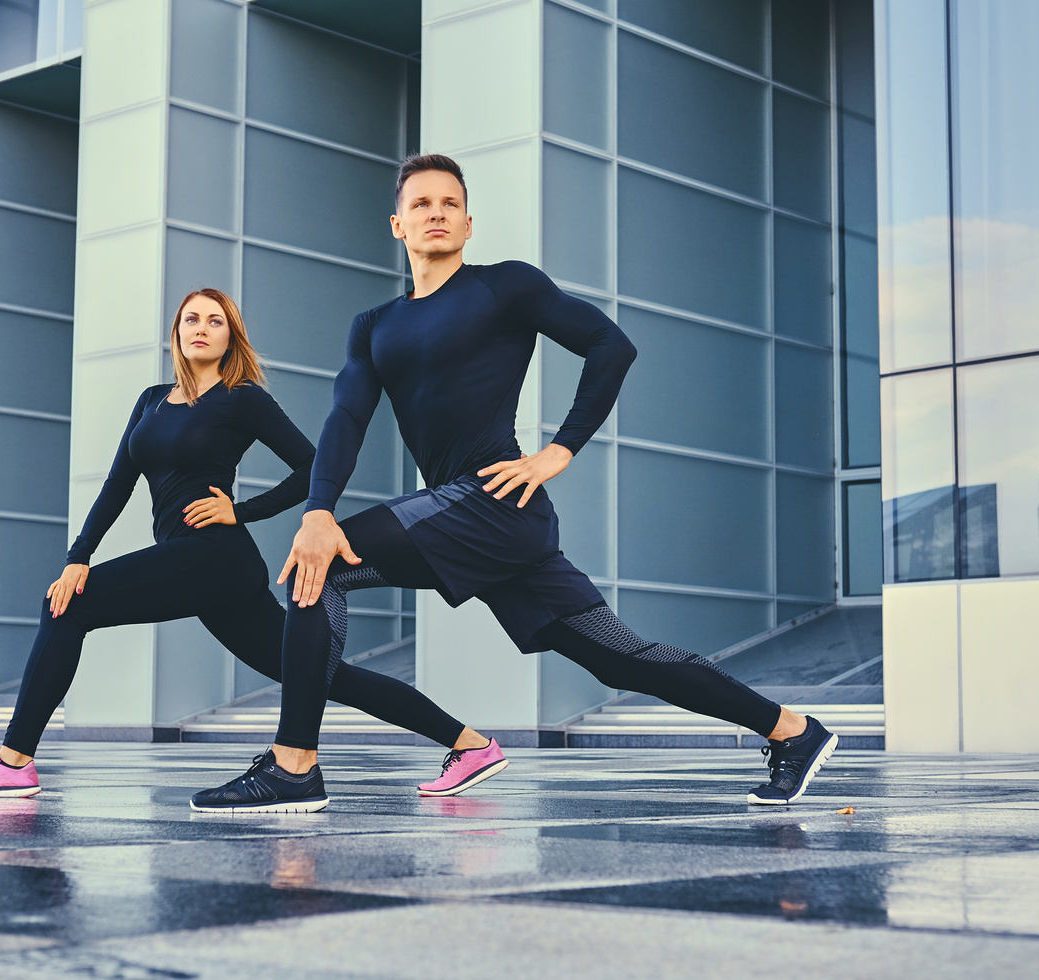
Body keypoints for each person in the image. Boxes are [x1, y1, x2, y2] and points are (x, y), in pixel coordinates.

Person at [191, 156, 837, 814]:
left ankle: (294, 765)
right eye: (420, 205)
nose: (435, 212)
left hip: (494, 504)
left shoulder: (504, 288)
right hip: (481, 520)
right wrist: (317, 509)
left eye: (448, 203)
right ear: (397, 225)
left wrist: (560, 449)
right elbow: (346, 418)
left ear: (468, 224)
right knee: (618, 657)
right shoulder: (375, 325)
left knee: (322, 567)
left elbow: (610, 346)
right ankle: (793, 731)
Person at [0, 288, 504, 805]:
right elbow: (117, 486)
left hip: (215, 555)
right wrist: (77, 556)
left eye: (215, 320)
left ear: (230, 334)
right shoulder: (151, 401)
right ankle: (471, 745)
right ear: (176, 332)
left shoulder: (241, 399)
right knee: (318, 673)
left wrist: (243, 510)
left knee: (67, 608)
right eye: (191, 319)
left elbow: (315, 465)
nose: (201, 328)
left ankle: (13, 763)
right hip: (201, 567)